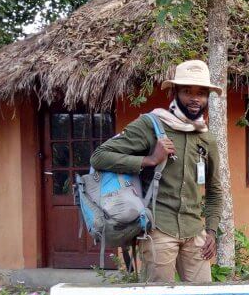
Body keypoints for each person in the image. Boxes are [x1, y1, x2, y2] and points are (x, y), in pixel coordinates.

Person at [91, 59, 223, 283]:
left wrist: (210, 231)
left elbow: (215, 190)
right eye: (187, 91)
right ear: (173, 92)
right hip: (159, 229)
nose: (195, 98)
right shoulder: (151, 125)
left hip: (194, 230)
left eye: (201, 93)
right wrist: (149, 160)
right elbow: (99, 157)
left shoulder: (206, 138)